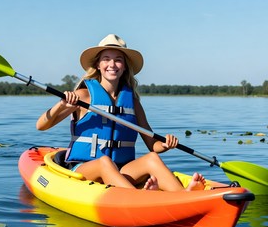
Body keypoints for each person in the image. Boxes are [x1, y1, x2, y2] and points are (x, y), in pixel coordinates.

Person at [36, 34, 205, 191]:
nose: (112, 64)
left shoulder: (133, 102)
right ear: (98, 64)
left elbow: (152, 144)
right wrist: (61, 105)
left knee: (152, 158)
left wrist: (166, 144)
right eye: (106, 59)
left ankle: (184, 195)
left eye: (118, 60)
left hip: (121, 170)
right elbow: (41, 125)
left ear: (124, 66)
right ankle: (140, 199)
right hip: (85, 169)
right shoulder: (83, 96)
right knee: (104, 162)